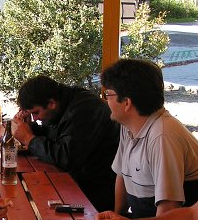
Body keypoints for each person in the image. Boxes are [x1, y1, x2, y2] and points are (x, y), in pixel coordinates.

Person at [101, 59, 198, 220]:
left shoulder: (162, 136)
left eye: (107, 95)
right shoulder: (129, 126)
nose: (105, 101)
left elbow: (168, 209)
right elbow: (122, 176)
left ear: (127, 103)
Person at [11, 75, 120, 211]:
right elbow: (54, 136)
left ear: (51, 103)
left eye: (36, 113)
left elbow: (66, 157)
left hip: (95, 191)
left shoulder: (84, 109)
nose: (35, 118)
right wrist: (30, 128)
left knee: (29, 204)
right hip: (74, 181)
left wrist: (29, 139)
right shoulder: (61, 104)